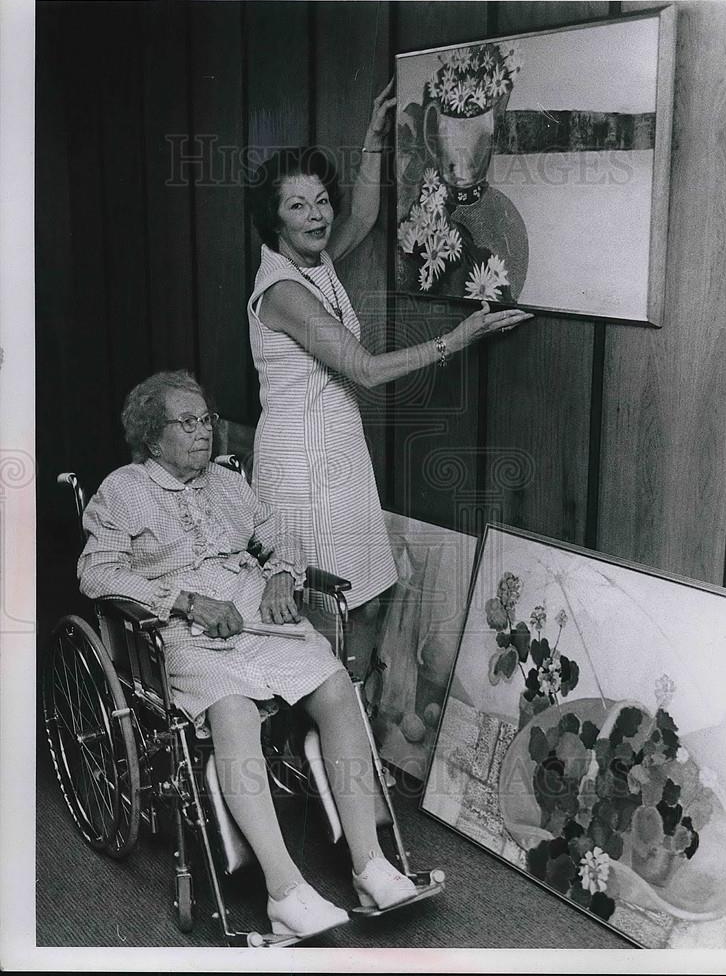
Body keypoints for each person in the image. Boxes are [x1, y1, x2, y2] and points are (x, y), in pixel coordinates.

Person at [77, 370, 419, 938]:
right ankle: (284, 892)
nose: (203, 432)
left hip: (256, 613)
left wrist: (283, 574)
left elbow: (275, 532)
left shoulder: (229, 481)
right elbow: (95, 573)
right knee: (231, 708)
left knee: (335, 686)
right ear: (151, 436)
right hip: (184, 630)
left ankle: (370, 863)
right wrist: (184, 599)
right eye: (185, 423)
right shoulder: (121, 491)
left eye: (205, 419)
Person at [247, 80, 533, 674]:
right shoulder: (281, 289)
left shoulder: (314, 257)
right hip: (304, 463)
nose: (317, 214)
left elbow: (367, 213)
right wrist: (455, 341)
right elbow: (366, 370)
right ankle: (324, 735)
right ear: (272, 220)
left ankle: (337, 720)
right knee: (330, 608)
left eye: (321, 199)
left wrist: (373, 137)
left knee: (365, 599)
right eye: (296, 205)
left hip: (336, 447)